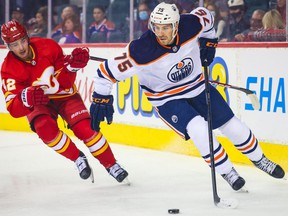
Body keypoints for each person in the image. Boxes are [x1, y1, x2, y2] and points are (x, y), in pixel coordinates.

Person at [89, 2, 285, 191]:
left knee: (233, 126)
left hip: (197, 86)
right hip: (166, 98)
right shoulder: (141, 49)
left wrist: (210, 40)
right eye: (156, 27)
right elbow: (104, 74)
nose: (160, 33)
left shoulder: (190, 24)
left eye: (166, 27)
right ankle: (228, 172)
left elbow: (206, 15)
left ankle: (260, 159)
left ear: (176, 25)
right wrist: (101, 98)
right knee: (198, 128)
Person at [0, 20, 128, 183]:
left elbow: (65, 82)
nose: (21, 48)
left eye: (23, 41)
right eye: (15, 44)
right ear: (8, 47)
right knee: (44, 128)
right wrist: (25, 98)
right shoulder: (8, 69)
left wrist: (72, 67)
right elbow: (13, 109)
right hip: (37, 101)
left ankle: (111, 165)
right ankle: (77, 158)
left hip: (63, 94)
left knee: (86, 129)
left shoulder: (48, 46)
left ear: (28, 37)